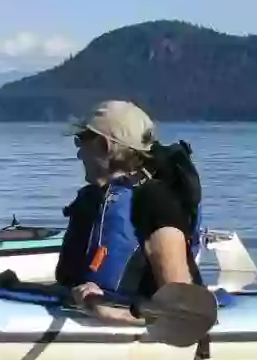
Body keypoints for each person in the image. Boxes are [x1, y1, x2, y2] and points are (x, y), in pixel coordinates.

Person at [55, 100, 202, 320]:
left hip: (139, 320)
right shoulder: (96, 197)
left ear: (105, 146)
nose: (79, 155)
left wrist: (106, 311)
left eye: (81, 142)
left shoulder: (155, 201)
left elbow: (181, 312)